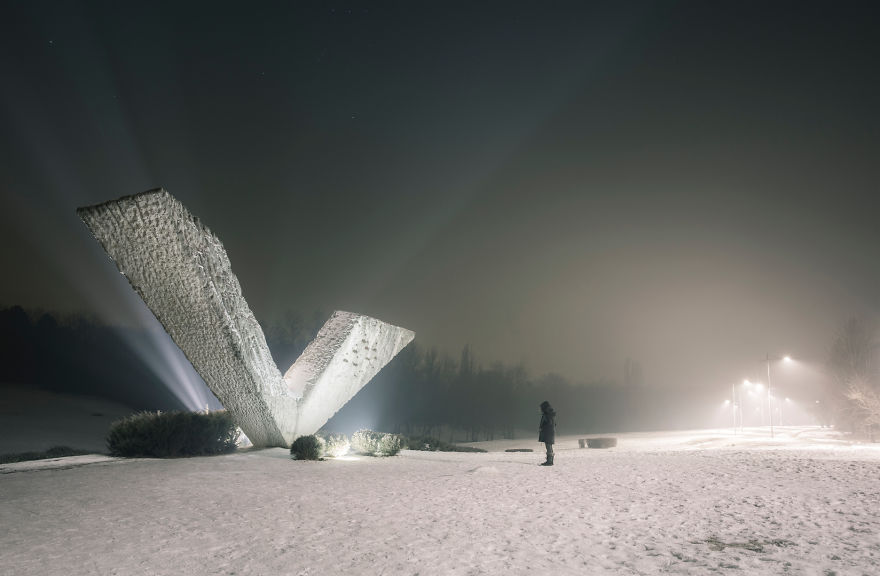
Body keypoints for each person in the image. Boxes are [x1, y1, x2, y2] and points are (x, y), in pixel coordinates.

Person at [538, 400, 556, 466]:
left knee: (548, 446)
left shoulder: (547, 414)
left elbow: (549, 423)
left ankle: (549, 461)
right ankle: (549, 460)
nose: (540, 409)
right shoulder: (549, 413)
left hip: (548, 432)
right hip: (549, 432)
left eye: (541, 407)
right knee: (548, 446)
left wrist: (543, 428)